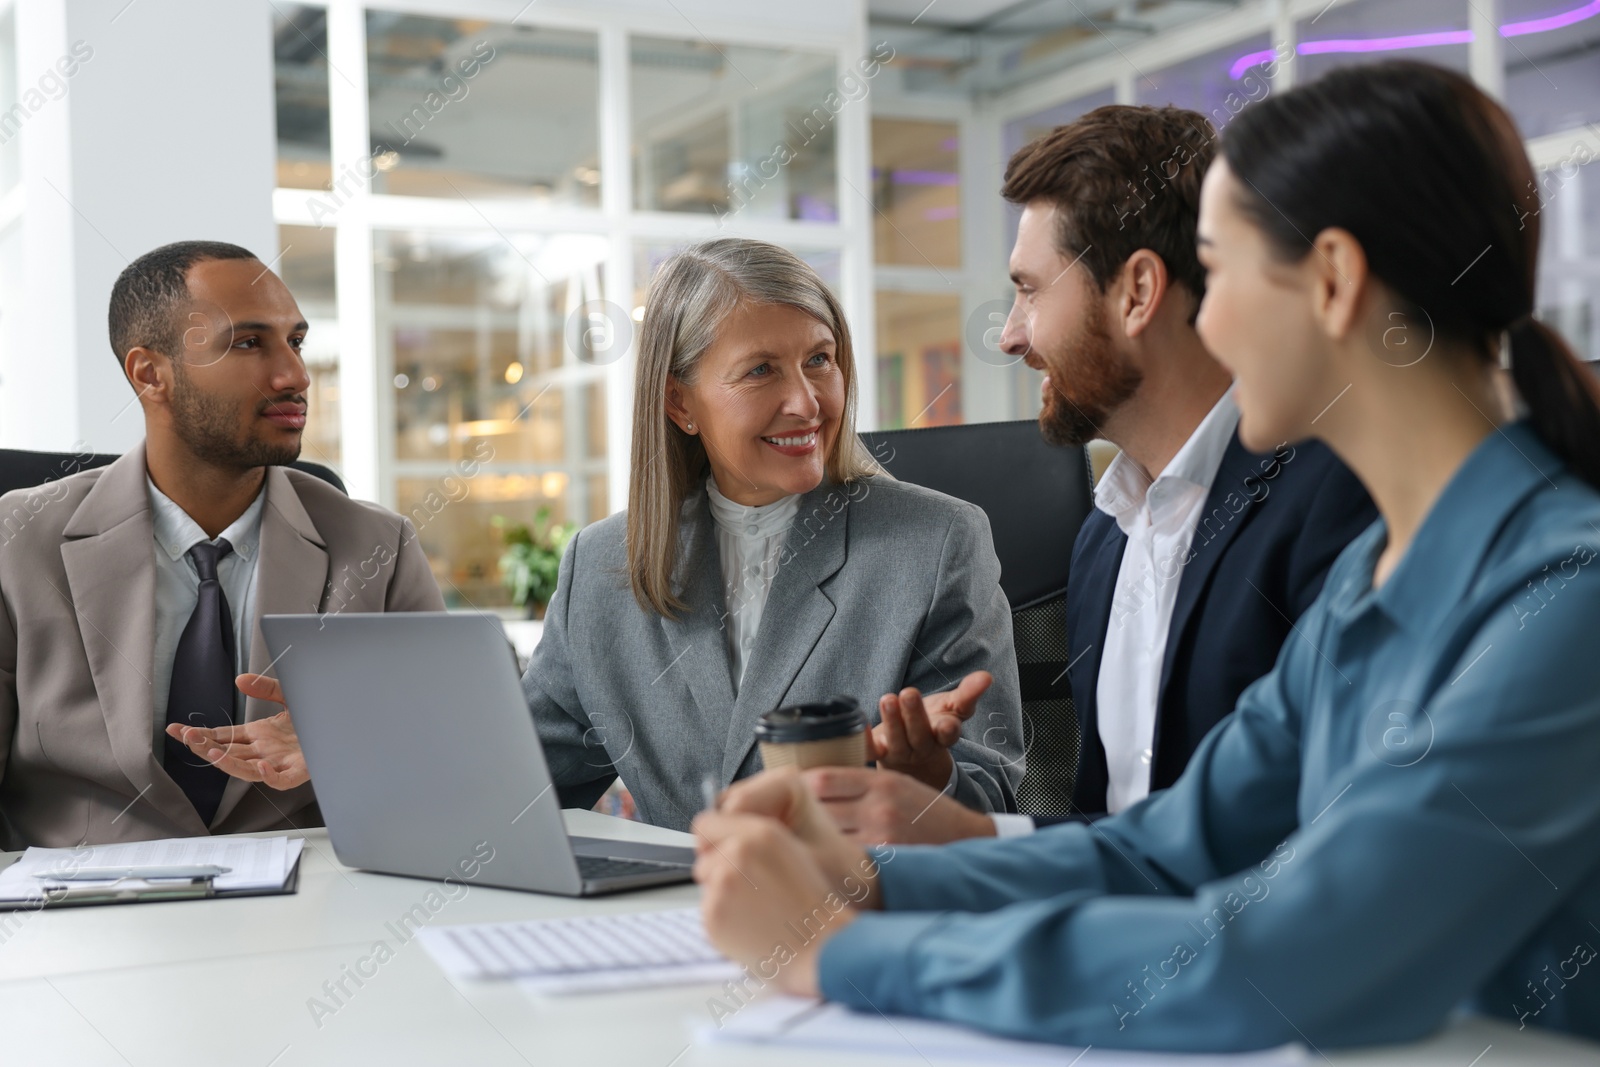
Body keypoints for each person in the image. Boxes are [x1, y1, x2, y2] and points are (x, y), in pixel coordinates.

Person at [694, 61, 1600, 1049]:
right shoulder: (1368, 580)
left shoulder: (1564, 597)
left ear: (1333, 280)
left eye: (1222, 271)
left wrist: (834, 953)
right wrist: (870, 879)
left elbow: (1293, 955)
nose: (1202, 322)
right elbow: (1169, 847)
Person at [175, 238, 1025, 831]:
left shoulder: (935, 541)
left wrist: (933, 781)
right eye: (761, 371)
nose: (806, 400)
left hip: (867, 927)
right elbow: (522, 778)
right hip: (675, 942)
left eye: (821, 359)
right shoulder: (605, 566)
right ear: (679, 402)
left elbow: (997, 798)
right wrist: (356, 742)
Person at [805, 104, 1373, 845]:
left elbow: (1316, 846)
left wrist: (972, 844)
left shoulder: (1333, 504)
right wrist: (943, 801)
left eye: (1030, 290)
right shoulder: (1105, 540)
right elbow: (1113, 837)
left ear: (1137, 292)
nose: (1009, 335)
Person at [0, 241, 444, 848]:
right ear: (149, 373)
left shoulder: (377, 548)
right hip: (79, 915)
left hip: (309, 910)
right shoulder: (16, 542)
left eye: (296, 341)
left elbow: (447, 775)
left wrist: (351, 746)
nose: (294, 375)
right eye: (248, 342)